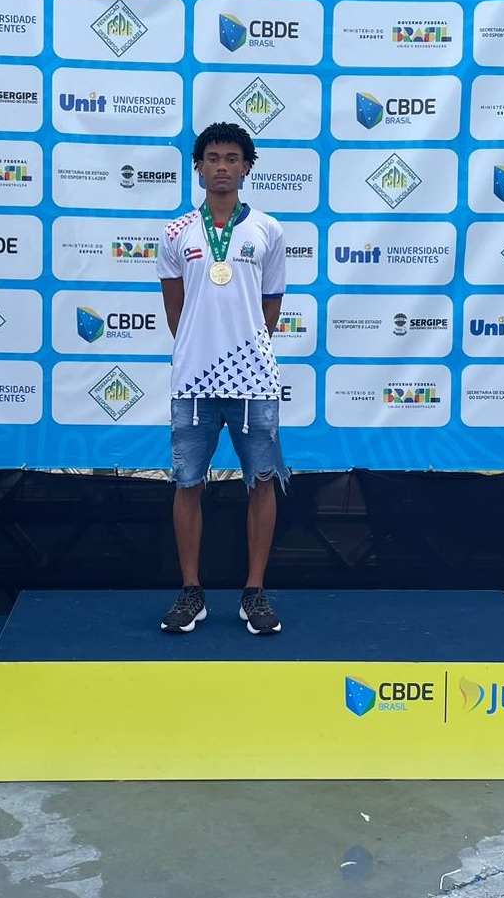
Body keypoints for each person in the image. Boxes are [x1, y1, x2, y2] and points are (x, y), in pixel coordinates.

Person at [157, 122, 289, 635]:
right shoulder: (176, 232)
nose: (221, 167)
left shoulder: (269, 230)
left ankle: (254, 592)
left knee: (262, 483)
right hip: (193, 380)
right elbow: (176, 311)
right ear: (198, 166)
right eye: (212, 158)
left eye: (232, 158)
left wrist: (244, 348)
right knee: (187, 484)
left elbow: (270, 306)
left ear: (246, 167)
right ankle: (191, 591)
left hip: (254, 379)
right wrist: (202, 348)